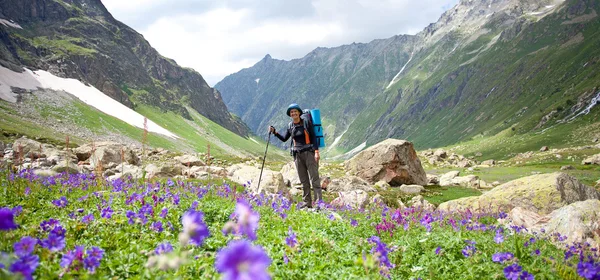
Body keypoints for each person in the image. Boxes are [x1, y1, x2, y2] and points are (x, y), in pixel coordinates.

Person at [269, 103, 322, 209]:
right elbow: (284, 138)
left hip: (309, 153)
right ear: (290, 114)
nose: (293, 113)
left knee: (314, 178)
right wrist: (275, 132)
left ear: (299, 112)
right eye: (291, 112)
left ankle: (319, 203)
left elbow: (314, 137)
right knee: (304, 180)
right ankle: (307, 203)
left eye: (295, 111)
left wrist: (316, 152)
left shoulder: (306, 122)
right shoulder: (290, 126)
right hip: (297, 155)